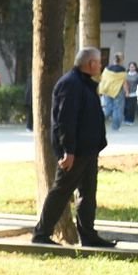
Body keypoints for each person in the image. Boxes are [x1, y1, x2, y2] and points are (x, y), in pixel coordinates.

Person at [32, 48, 115, 248]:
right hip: (75, 152)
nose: (101, 65)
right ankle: (41, 233)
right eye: (98, 62)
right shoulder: (70, 84)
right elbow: (65, 121)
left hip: (88, 150)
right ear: (90, 63)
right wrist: (68, 151)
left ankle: (88, 235)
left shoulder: (85, 83)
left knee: (88, 194)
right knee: (61, 191)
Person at [97, 53, 127, 134]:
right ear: (122, 60)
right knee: (118, 109)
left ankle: (98, 122)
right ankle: (115, 127)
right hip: (118, 91)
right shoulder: (122, 69)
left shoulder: (107, 68)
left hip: (107, 90)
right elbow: (124, 82)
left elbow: (103, 79)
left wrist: (101, 90)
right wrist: (127, 92)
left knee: (107, 108)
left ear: (113, 59)